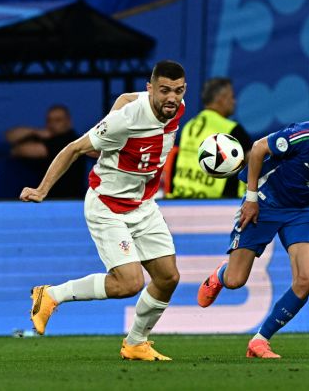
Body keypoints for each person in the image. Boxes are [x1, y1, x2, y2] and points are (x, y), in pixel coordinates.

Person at [21, 60, 187, 361]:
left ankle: (136, 343)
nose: (172, 98)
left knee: (168, 277)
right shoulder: (126, 120)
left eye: (178, 90)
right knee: (130, 283)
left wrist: (117, 108)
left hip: (144, 205)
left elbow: (126, 98)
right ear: (151, 89)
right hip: (108, 206)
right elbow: (73, 148)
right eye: (164, 90)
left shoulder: (174, 106)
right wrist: (42, 190)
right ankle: (51, 295)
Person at [196, 104, 309, 358]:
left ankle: (260, 341)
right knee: (236, 281)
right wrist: (251, 198)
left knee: (308, 279)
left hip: (302, 210)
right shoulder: (308, 135)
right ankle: (221, 274)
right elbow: (258, 149)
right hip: (264, 201)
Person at [170, 77, 253, 198]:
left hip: (180, 199)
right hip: (217, 204)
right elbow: (253, 159)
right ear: (221, 99)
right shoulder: (232, 130)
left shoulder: (189, 125)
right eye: (232, 97)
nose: (234, 102)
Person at [6, 104, 86, 198]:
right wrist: (35, 131)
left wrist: (16, 149)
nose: (52, 124)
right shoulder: (46, 138)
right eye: (49, 120)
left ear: (68, 122)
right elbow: (9, 136)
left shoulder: (71, 140)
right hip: (45, 199)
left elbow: (27, 151)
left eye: (58, 120)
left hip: (68, 199)